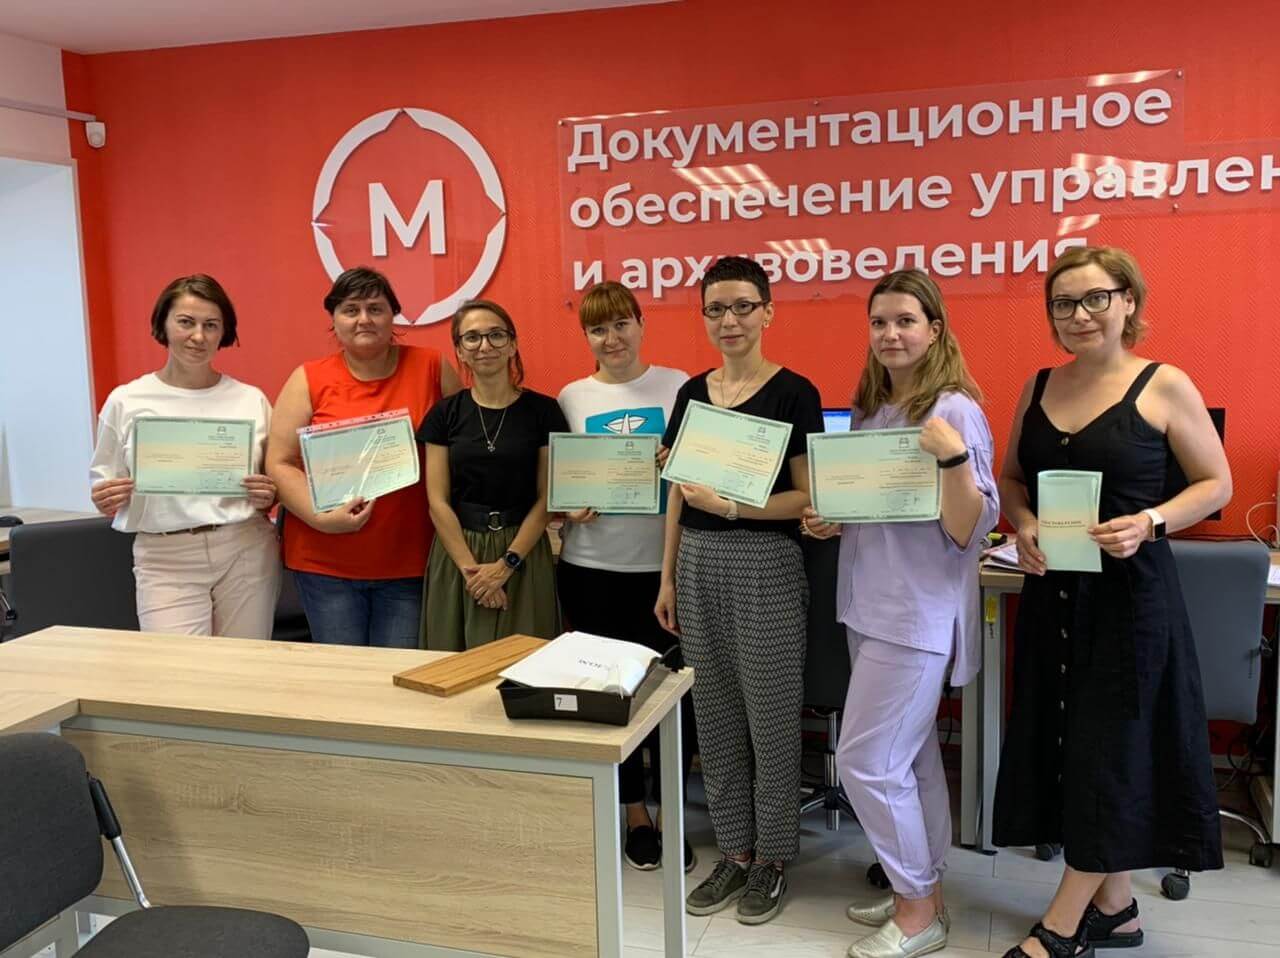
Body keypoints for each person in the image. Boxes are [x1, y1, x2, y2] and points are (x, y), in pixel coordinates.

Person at [993, 247, 1231, 958]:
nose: (1079, 315)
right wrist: (1023, 524)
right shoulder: (1038, 385)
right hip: (1054, 596)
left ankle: (1062, 928)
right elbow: (1012, 479)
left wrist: (1150, 521)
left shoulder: (1165, 385)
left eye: (1096, 298)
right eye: (1063, 303)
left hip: (1131, 603)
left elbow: (1214, 484)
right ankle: (1117, 909)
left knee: (1112, 755)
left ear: (1129, 300)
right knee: (1074, 748)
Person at [802, 270, 998, 958]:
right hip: (869, 607)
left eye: (906, 321)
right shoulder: (876, 409)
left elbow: (969, 528)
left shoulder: (954, 411)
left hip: (915, 617)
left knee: (865, 761)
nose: (890, 334)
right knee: (910, 759)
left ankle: (918, 911)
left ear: (934, 330)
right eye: (880, 322)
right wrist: (834, 518)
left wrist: (954, 460)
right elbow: (881, 509)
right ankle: (924, 888)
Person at [656, 256, 823, 925]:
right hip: (697, 562)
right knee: (716, 718)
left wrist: (730, 506)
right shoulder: (691, 394)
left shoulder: (795, 393)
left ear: (768, 312)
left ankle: (773, 859)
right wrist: (667, 575)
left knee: (771, 719)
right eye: (716, 309)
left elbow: (807, 498)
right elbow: (678, 492)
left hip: (765, 563)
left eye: (743, 306)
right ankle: (734, 851)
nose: (730, 320)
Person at [556, 280, 696, 872]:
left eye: (621, 324)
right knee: (610, 699)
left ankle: (673, 816)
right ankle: (635, 816)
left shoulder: (679, 386)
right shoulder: (571, 396)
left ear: (641, 324)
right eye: (598, 328)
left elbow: (700, 472)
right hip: (592, 568)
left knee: (674, 701)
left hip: (662, 570)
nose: (611, 338)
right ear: (586, 336)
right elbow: (559, 481)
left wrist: (676, 459)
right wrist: (568, 507)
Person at [267, 266, 458, 647]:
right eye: (351, 309)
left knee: (396, 673)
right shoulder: (308, 378)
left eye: (375, 308)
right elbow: (279, 463)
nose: (364, 319)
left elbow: (462, 449)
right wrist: (322, 519)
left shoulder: (432, 368)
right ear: (334, 319)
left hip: (409, 561)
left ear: (394, 315)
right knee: (343, 676)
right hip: (325, 563)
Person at [89, 274, 280, 639]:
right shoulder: (126, 400)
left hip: (244, 548)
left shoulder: (251, 399)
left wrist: (268, 494)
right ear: (163, 324)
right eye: (186, 322)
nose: (198, 336)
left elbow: (273, 482)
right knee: (175, 668)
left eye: (211, 325)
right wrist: (105, 496)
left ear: (224, 332)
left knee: (245, 665)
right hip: (165, 556)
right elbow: (103, 481)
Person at [419, 300, 565, 649]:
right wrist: (473, 573)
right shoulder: (444, 415)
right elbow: (437, 501)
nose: (485, 346)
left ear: (513, 345)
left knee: (527, 663)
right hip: (459, 553)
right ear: (460, 351)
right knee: (454, 665)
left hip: (523, 552)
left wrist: (506, 565)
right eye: (472, 338)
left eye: (496, 335)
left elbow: (548, 498)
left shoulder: (544, 411)